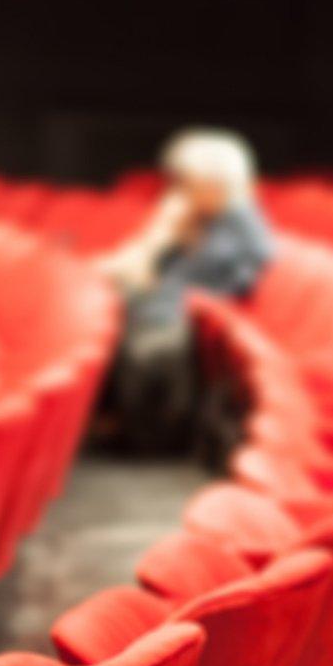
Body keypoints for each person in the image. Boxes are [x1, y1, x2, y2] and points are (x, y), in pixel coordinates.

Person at [94, 128, 277, 451]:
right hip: (172, 305)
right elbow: (152, 265)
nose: (179, 191)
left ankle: (149, 433)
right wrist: (165, 230)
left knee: (150, 341)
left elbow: (218, 282)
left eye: (186, 183)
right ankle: (120, 420)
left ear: (213, 184)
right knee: (120, 311)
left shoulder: (238, 224)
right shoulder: (202, 218)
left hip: (186, 314)